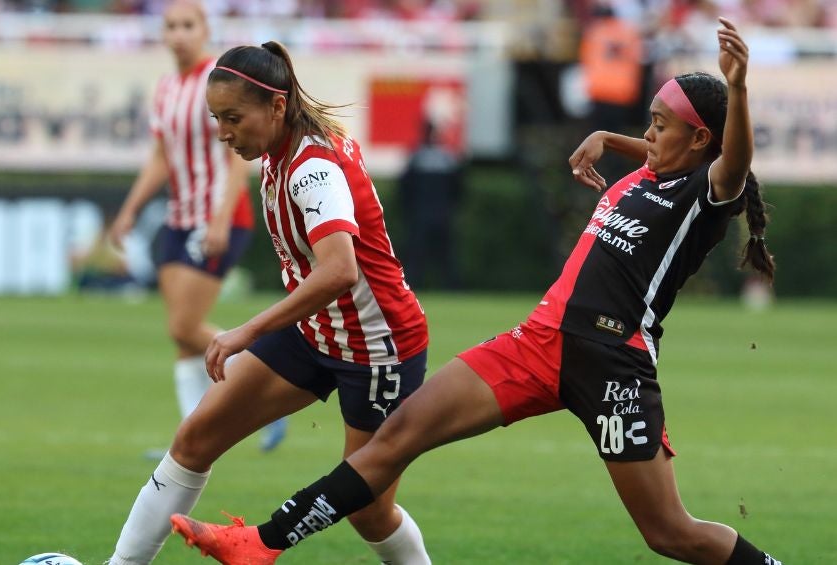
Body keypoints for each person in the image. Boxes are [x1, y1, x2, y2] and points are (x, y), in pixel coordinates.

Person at [170, 18, 783, 565]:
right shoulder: (652, 171)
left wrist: (738, 88)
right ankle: (263, 543)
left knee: (670, 534)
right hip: (537, 343)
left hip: (612, 363)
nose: (647, 134)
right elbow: (657, 152)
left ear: (701, 140)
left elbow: (734, 159)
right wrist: (608, 138)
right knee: (396, 437)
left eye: (659, 125)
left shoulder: (705, 194)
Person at [107, 39, 433, 565]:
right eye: (216, 118)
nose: (223, 132)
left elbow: (339, 270)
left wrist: (246, 330)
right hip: (315, 331)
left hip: (378, 349)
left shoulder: (311, 167)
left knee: (368, 510)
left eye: (233, 117)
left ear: (277, 105)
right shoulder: (281, 149)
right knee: (194, 438)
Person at [108, 0, 287, 451]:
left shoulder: (219, 86)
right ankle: (191, 438)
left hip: (213, 216)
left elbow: (236, 156)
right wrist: (130, 208)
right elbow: (161, 155)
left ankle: (275, 378)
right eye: (171, 26)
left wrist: (222, 219)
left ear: (205, 29)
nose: (179, 34)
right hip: (178, 217)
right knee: (182, 335)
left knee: (186, 326)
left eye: (188, 25)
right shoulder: (167, 88)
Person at [397, 120, 465, 290]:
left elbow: (404, 188)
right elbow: (458, 188)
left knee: (416, 254)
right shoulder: (447, 157)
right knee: (446, 256)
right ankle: (453, 289)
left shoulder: (416, 156)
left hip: (420, 214)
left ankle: (410, 288)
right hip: (442, 214)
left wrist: (409, 209)